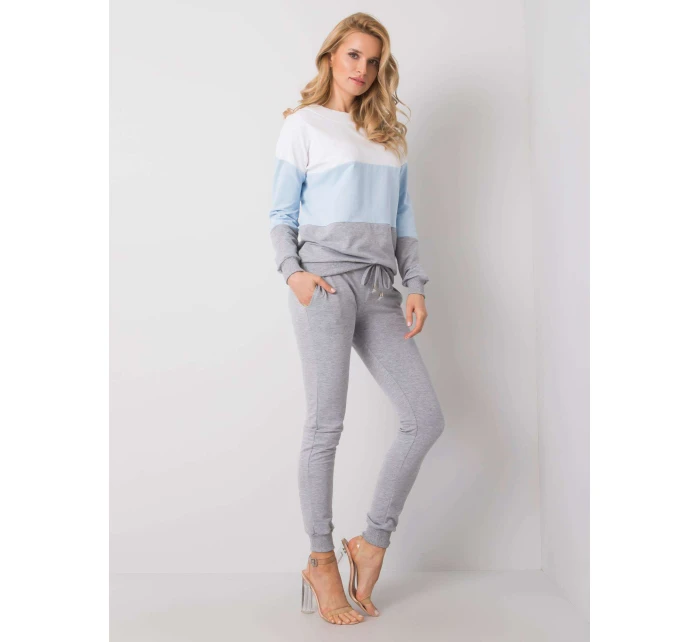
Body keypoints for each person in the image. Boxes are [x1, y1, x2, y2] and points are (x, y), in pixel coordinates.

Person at [268, 12, 446, 626]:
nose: (362, 69)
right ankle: (321, 560)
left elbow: (404, 220)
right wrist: (293, 273)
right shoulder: (303, 124)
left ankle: (371, 542)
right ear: (330, 57)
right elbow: (280, 213)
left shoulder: (389, 135)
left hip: (379, 289)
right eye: (352, 55)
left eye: (373, 60)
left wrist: (414, 284)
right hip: (323, 285)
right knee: (326, 426)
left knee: (424, 419)